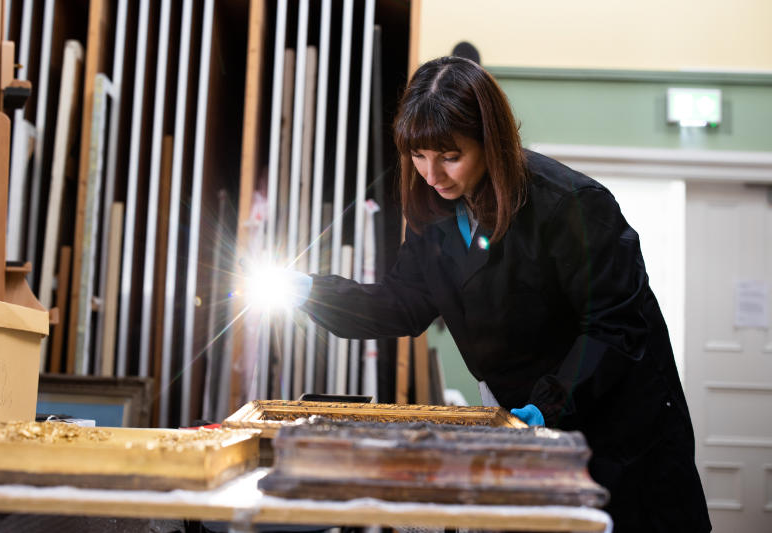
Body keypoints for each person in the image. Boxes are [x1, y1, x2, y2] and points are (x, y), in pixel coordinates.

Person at [293, 56, 710, 532]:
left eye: (450, 156)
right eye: (418, 156)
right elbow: (403, 304)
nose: (432, 174)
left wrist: (549, 403)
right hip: (531, 431)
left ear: (490, 142)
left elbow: (614, 328)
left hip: (618, 434)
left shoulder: (570, 204)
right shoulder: (436, 214)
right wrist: (309, 292)